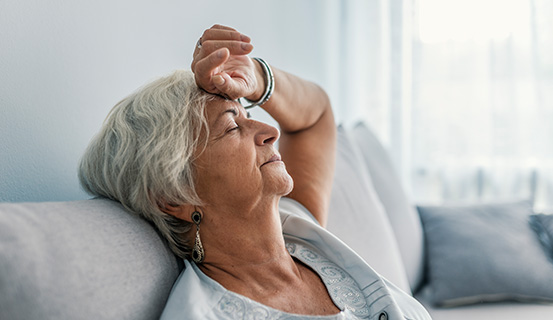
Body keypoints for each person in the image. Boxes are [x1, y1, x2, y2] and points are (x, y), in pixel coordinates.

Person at [79, 24, 431, 319]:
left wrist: (256, 78)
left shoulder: (298, 227)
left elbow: (315, 115)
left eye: (247, 115)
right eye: (233, 127)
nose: (270, 131)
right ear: (173, 196)